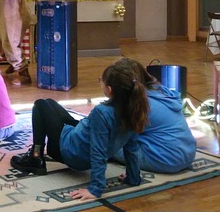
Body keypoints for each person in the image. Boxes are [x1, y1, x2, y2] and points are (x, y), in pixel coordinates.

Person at [10, 62, 150, 200]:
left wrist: (96, 189)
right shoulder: (133, 109)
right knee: (50, 103)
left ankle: (35, 156)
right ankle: (36, 155)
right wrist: (133, 177)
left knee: (40, 105)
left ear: (109, 89)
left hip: (69, 153)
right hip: (79, 144)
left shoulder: (101, 113)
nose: (99, 82)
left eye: (101, 81)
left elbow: (98, 151)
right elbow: (133, 146)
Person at [112, 58, 196, 173]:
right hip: (188, 154)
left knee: (102, 145)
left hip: (167, 161)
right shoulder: (161, 92)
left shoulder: (140, 104)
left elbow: (117, 132)